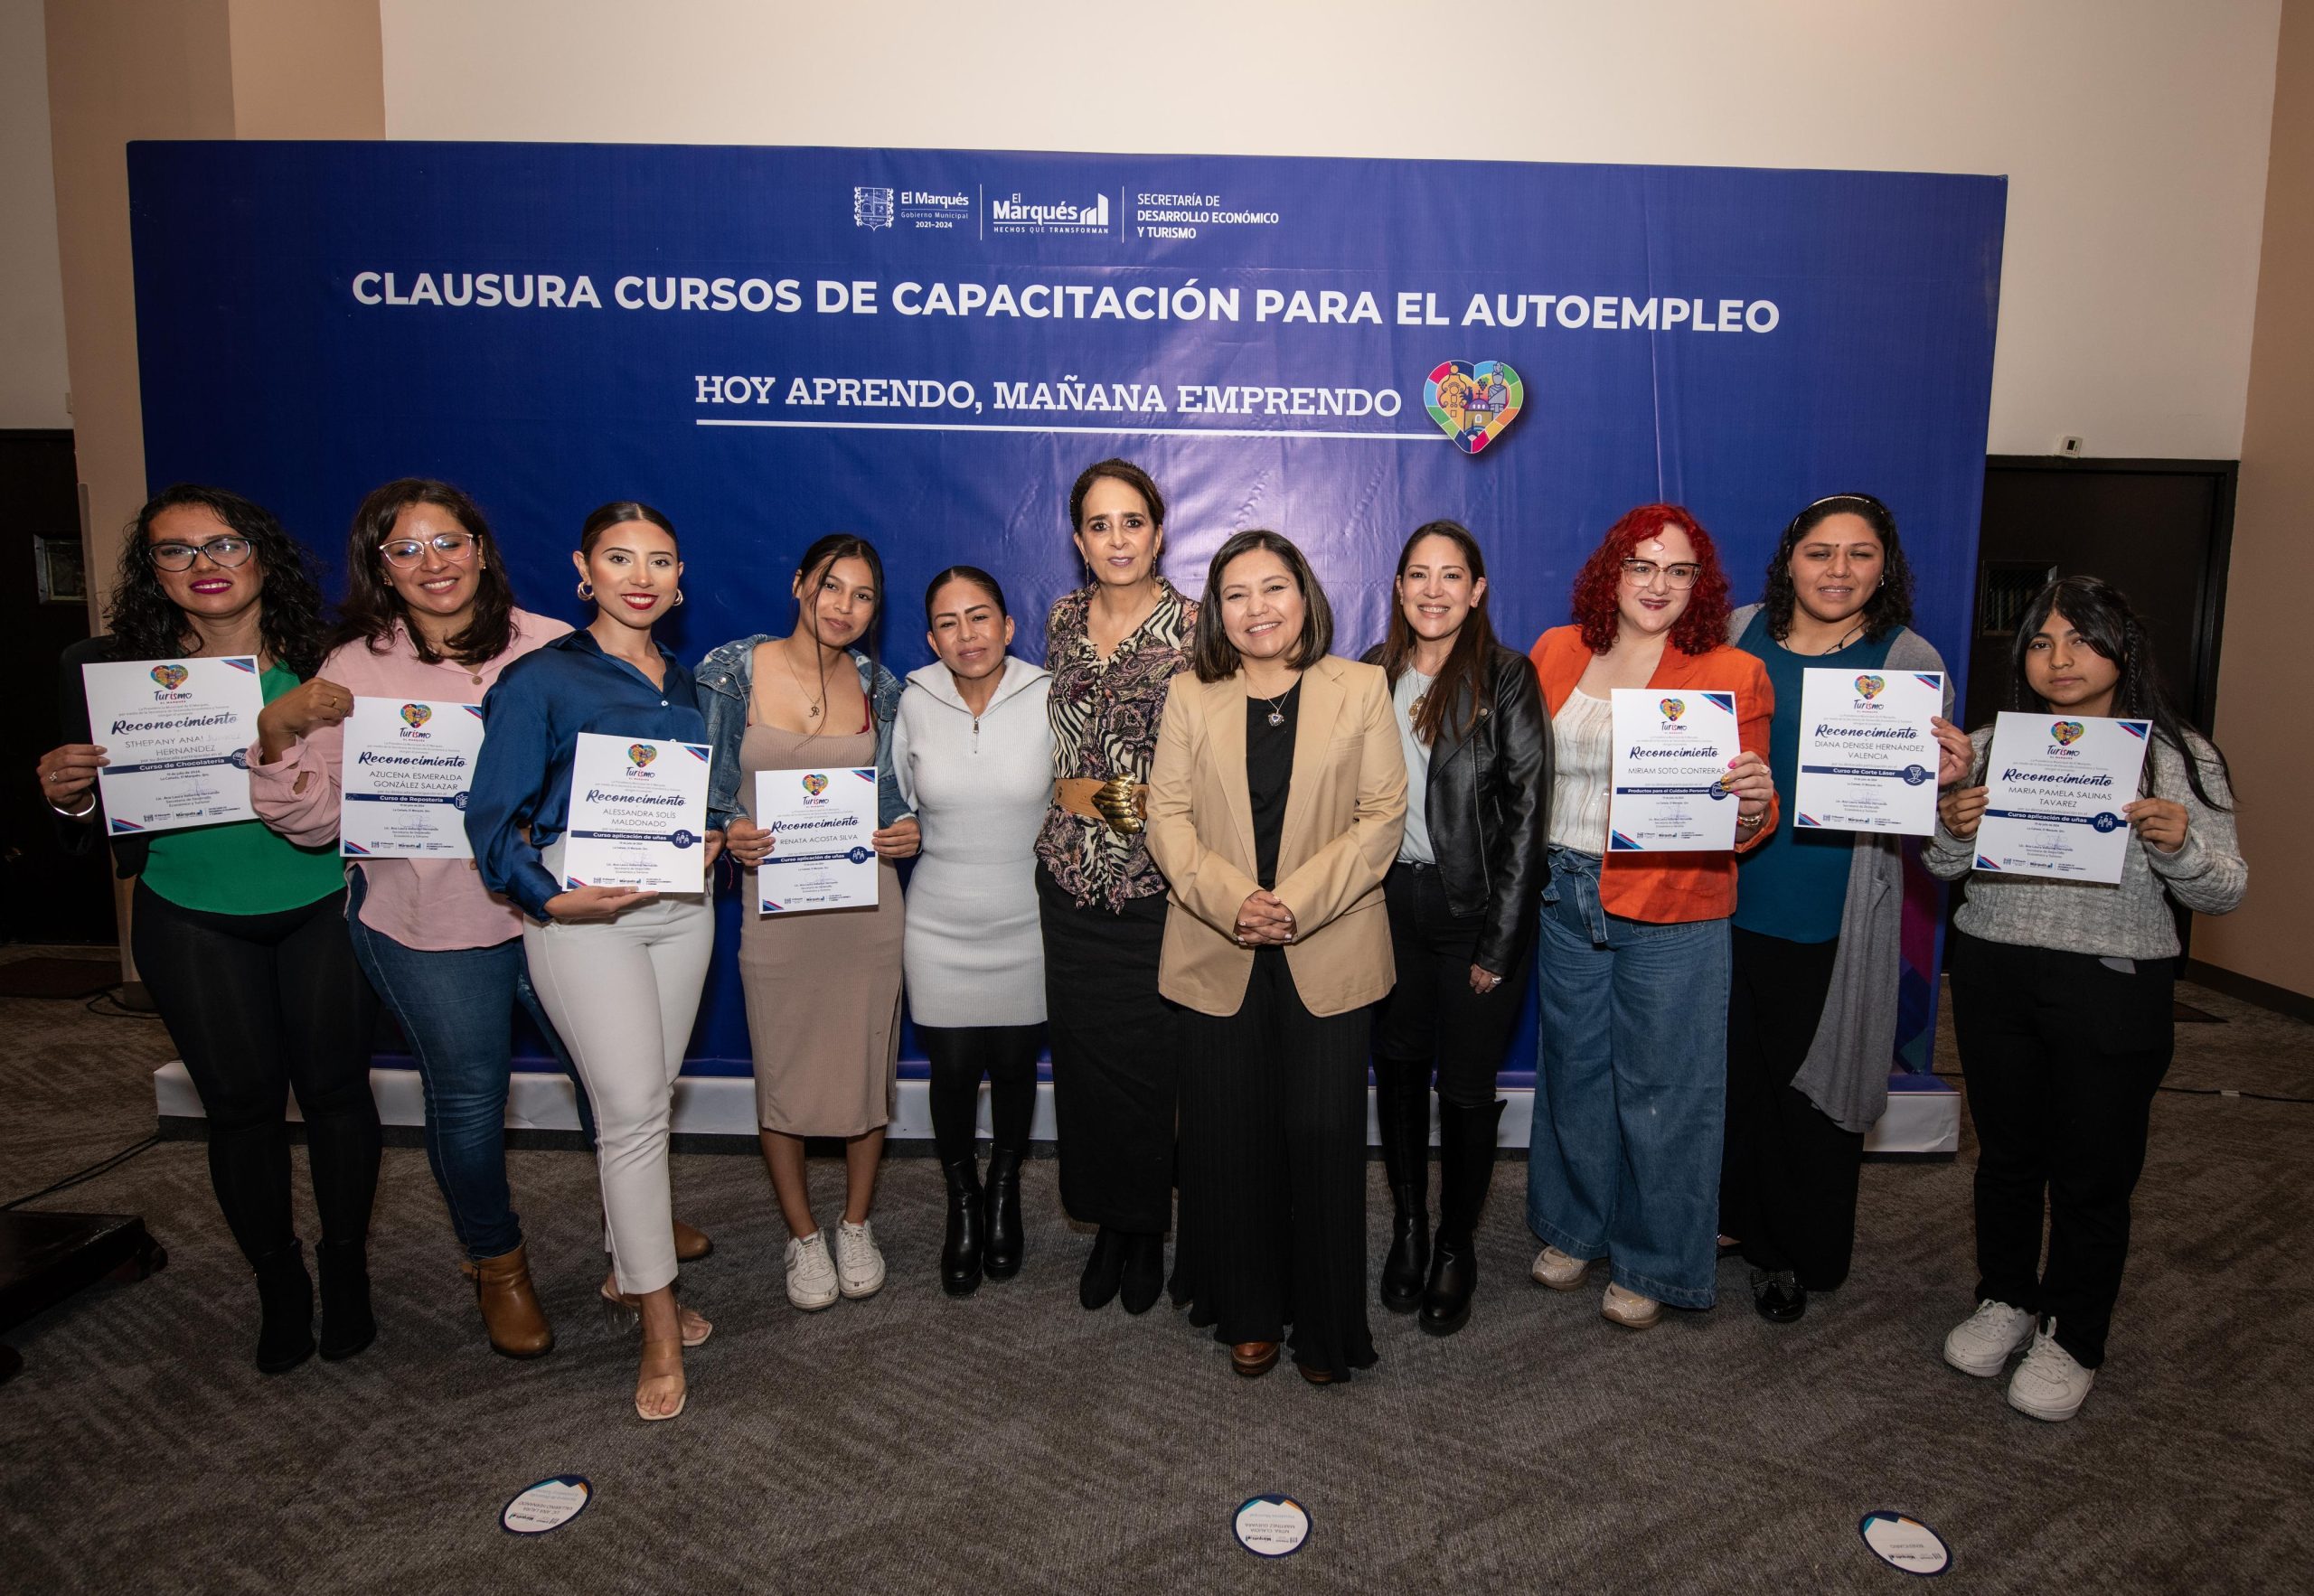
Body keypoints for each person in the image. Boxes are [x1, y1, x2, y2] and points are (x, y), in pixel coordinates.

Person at [248, 478, 595, 1358]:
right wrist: (278, 738)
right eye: (405, 549)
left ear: (481, 547)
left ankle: (639, 1230)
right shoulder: (351, 670)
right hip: (429, 922)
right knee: (471, 1100)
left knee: (613, 1081)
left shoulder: (557, 645)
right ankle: (497, 1260)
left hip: (559, 914)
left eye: (447, 541)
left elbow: (609, 781)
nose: (431, 563)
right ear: (381, 568)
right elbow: (318, 819)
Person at [39, 484, 381, 1374]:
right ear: (151, 570)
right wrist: (71, 794)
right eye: (176, 550)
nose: (204, 564)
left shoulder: (335, 662)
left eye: (224, 544)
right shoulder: (108, 669)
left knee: (340, 1095)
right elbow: (94, 821)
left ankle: (346, 1268)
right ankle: (280, 1280)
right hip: (191, 912)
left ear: (262, 554)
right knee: (240, 1108)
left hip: (323, 902)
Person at [1926, 574, 2243, 1422]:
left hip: (2113, 982)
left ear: (2122, 649)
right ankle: (2006, 1297)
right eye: (2041, 641)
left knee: (2093, 1174)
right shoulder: (1994, 744)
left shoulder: (2179, 756)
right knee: (2007, 1158)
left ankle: (2073, 1334)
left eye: (2081, 640)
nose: (2060, 659)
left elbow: (2225, 891)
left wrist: (2180, 850)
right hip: (1997, 971)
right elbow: (1942, 868)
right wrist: (1953, 829)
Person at [466, 500, 727, 1422]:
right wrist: (547, 896)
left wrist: (708, 839)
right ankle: (657, 1320)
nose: (642, 576)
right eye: (621, 557)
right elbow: (490, 818)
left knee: (646, 1103)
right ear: (585, 569)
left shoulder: (687, 686)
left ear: (679, 577)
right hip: (585, 913)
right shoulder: (540, 678)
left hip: (680, 912)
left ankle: (627, 1275)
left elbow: (690, 803)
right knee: (629, 1110)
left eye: (660, 558)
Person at [1147, 530, 1406, 1384]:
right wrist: (1233, 903)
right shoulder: (1191, 694)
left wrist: (1294, 904)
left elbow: (1381, 819)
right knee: (1229, 1138)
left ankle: (1329, 1325)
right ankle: (1249, 1309)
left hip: (1328, 945)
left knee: (1325, 1137)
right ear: (1216, 611)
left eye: (1274, 589)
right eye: (1235, 594)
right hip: (1216, 947)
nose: (1257, 609)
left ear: (1306, 595)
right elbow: (1167, 819)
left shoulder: (1362, 687)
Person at [1525, 503, 1778, 1329]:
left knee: (1668, 1089)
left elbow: (1750, 819)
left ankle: (1656, 1258)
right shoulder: (1558, 652)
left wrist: (1754, 803)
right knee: (1574, 1072)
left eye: (1678, 571)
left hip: (1674, 900)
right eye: (1641, 566)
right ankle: (1574, 1225)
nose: (1658, 584)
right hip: (1565, 894)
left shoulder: (1733, 672)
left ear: (1699, 585)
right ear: (1612, 572)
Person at [1723, 493, 1972, 1322]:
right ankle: (1732, 1222)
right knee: (1735, 1078)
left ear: (1884, 566)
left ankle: (1793, 1250)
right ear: (1788, 558)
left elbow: (1930, 803)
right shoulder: (1735, 629)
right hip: (1722, 900)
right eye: (1820, 552)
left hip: (1831, 909)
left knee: (1811, 1087)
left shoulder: (1906, 657)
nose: (1838, 570)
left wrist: (1948, 781)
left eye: (1859, 554)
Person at [698, 535, 916, 1313]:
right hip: (777, 907)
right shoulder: (730, 673)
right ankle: (801, 1235)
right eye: (831, 588)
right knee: (783, 1069)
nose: (844, 607)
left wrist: (906, 831)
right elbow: (701, 793)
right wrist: (730, 833)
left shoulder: (882, 690)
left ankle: (856, 1224)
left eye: (862, 596)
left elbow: (896, 802)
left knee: (866, 1064)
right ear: (798, 585)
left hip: (866, 908)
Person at [1361, 521, 1548, 1335]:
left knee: (1466, 1092)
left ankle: (1454, 1244)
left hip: (1472, 915)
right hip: (1383, 910)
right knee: (1399, 1072)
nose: (1433, 591)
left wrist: (1499, 943)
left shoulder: (1507, 678)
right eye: (1417, 575)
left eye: (1452, 576)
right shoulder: (1368, 674)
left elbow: (1527, 818)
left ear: (1477, 590)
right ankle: (1406, 1226)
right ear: (1398, 587)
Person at [1035, 459, 1199, 1316]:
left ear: (1159, 530)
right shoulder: (1062, 619)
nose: (1117, 539)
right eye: (1099, 525)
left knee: (1147, 1068)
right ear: (1078, 539)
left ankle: (1145, 1229)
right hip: (1067, 872)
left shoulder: (1199, 627)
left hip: (1155, 880)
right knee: (1087, 1065)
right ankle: (1106, 1222)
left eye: (1131, 522)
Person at [891, 567, 1054, 1294]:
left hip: (1028, 921)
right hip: (939, 922)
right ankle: (963, 1201)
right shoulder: (912, 700)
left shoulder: (1052, 693)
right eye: (949, 623)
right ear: (931, 638)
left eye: (980, 616)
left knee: (1017, 1068)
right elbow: (896, 798)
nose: (967, 635)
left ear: (1009, 626)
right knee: (953, 1072)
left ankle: (1005, 1188)